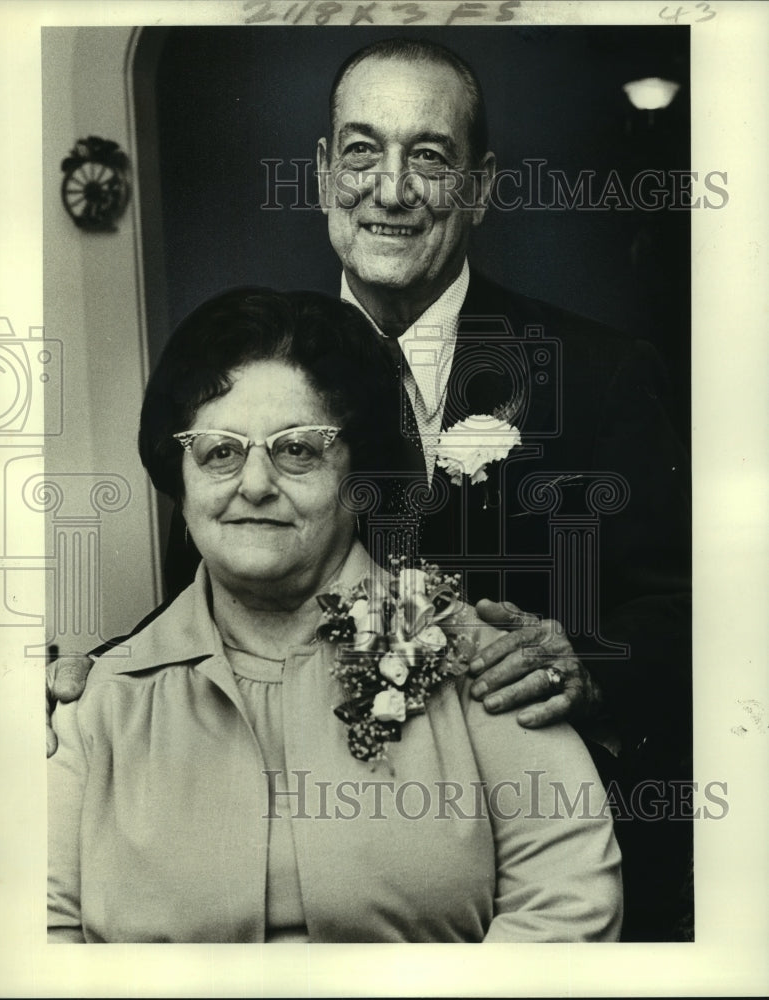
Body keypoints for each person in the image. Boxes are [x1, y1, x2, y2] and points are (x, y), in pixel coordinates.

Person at [46, 37, 690, 939]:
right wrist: (103, 674)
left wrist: (586, 665)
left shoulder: (599, 374)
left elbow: (696, 614)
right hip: (290, 838)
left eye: (429, 155)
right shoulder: (244, 384)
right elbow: (225, 574)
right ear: (320, 172)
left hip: (518, 862)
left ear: (480, 185)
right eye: (360, 150)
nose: (390, 188)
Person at [48, 287, 622, 943]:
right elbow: (37, 932)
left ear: (361, 473)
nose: (255, 484)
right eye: (220, 450)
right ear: (179, 480)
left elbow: (566, 902)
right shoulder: (96, 701)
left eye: (298, 449)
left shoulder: (483, 662)